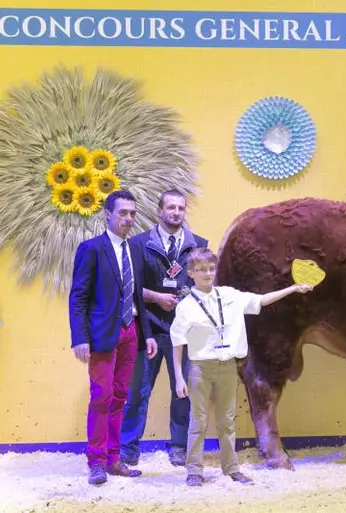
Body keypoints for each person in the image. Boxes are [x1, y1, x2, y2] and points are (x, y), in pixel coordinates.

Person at [171, 248, 313, 486]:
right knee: (198, 420)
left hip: (228, 366)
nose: (207, 274)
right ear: (190, 273)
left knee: (227, 420)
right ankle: (194, 470)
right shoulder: (185, 306)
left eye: (211, 269)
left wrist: (293, 289)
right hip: (200, 368)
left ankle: (231, 468)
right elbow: (177, 342)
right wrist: (178, 377)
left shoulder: (229, 295)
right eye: (201, 270)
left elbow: (261, 300)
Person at [69, 189, 158, 485]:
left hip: (131, 330)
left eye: (132, 213)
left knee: (121, 396)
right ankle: (95, 461)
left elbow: (138, 297)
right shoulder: (91, 249)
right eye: (123, 213)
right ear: (108, 214)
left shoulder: (136, 249)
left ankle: (114, 458)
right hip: (102, 335)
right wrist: (79, 338)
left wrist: (146, 334)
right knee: (101, 397)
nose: (128, 218)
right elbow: (78, 297)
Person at [121, 190, 208, 467]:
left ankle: (179, 447)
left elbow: (204, 286)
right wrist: (157, 298)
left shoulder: (199, 246)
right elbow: (130, 287)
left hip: (184, 333)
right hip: (149, 332)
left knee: (182, 392)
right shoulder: (138, 244)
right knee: (138, 392)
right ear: (160, 210)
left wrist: (185, 298)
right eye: (171, 207)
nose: (176, 212)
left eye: (181, 208)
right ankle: (128, 448)